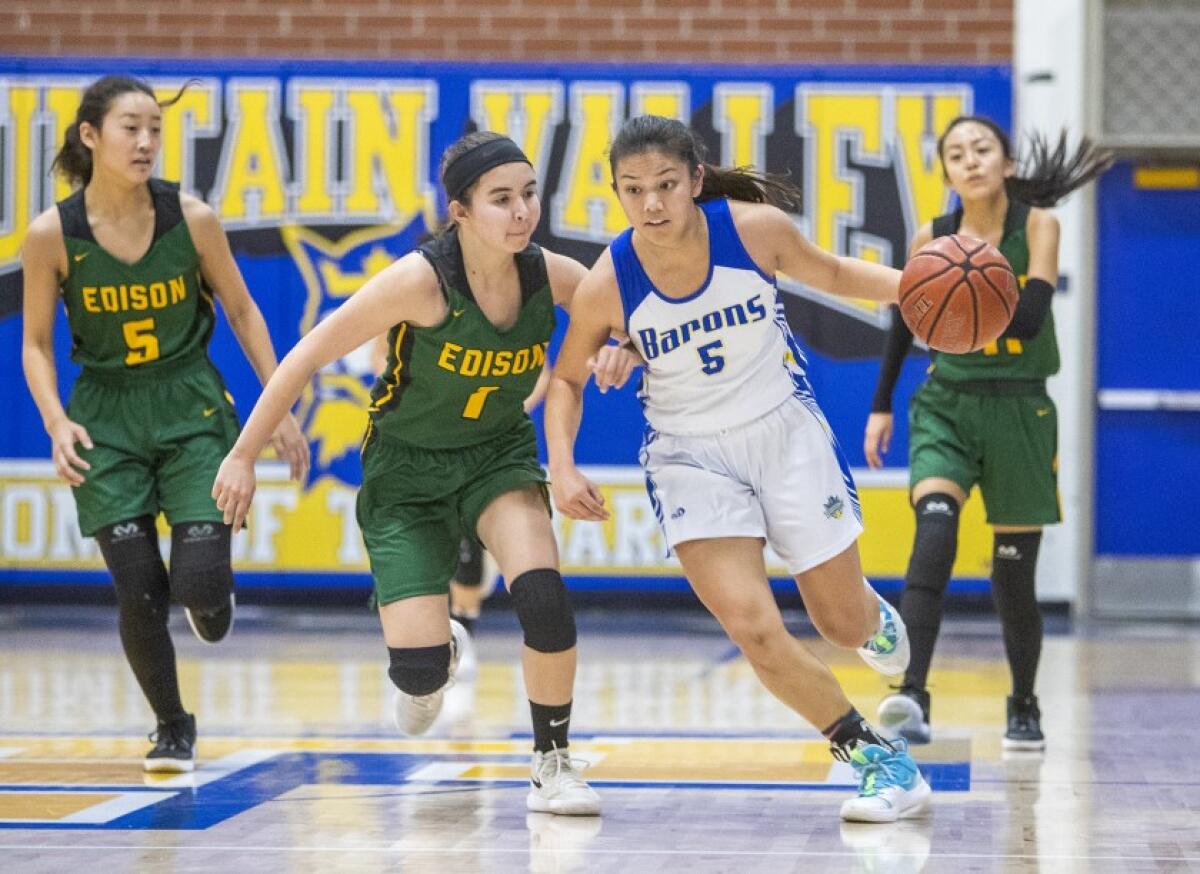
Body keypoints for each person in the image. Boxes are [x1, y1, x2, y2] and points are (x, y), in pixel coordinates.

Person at [213, 131, 636, 816]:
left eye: (529, 194)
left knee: (544, 598)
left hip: (497, 455)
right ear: (460, 211)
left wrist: (624, 349)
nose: (522, 212)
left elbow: (627, 321)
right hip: (405, 470)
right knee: (416, 679)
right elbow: (304, 358)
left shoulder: (549, 273)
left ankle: (552, 762)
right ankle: (435, 655)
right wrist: (241, 455)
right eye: (501, 199)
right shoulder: (418, 280)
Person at [544, 115, 931, 823]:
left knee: (840, 624)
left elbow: (839, 273)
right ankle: (878, 761)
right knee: (753, 626)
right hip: (689, 456)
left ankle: (870, 616)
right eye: (633, 190)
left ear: (695, 180)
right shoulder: (610, 279)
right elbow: (566, 380)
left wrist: (925, 288)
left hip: (783, 434)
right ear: (617, 194)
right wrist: (562, 466)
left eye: (665, 185)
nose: (651, 203)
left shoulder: (753, 230)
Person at [20, 75, 310, 773]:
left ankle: (212, 597)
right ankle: (172, 723)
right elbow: (33, 341)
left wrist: (277, 406)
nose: (147, 141)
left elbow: (242, 310)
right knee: (137, 587)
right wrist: (56, 421)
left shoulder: (191, 217)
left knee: (199, 587)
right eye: (131, 127)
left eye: (155, 127)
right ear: (90, 136)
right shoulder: (52, 234)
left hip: (191, 410)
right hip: (105, 418)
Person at [863, 116, 1110, 750]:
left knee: (1011, 574)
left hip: (1020, 409)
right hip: (947, 401)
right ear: (945, 172)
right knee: (935, 532)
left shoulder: (1038, 225)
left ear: (1005, 163)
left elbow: (1027, 321)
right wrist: (882, 402)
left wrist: (959, 310)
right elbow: (904, 321)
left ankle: (1023, 703)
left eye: (982, 149)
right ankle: (910, 696)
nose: (969, 160)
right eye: (955, 154)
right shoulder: (932, 235)